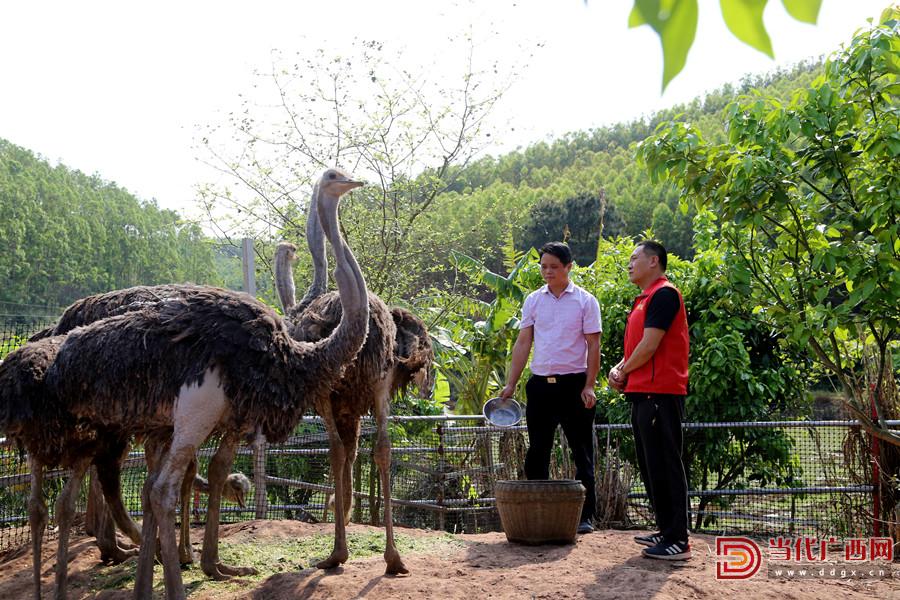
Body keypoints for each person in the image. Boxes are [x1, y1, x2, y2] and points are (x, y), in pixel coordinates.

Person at [499, 242, 601, 534]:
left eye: (554, 267)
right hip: (540, 386)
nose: (547, 272)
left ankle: (584, 517)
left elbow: (594, 344)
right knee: (538, 452)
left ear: (569, 267)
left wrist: (590, 385)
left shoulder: (585, 301)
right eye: (543, 266)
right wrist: (511, 383)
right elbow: (523, 342)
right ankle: (536, 513)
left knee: (581, 453)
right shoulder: (533, 300)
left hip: (574, 385)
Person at [608, 240, 691, 560]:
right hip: (643, 391)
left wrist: (623, 370)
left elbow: (651, 345)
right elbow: (637, 346)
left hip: (662, 392)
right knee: (650, 463)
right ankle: (665, 529)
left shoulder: (665, 294)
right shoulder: (643, 299)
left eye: (634, 258)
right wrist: (620, 369)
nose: (629, 264)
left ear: (654, 261)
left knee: (667, 464)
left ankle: (678, 539)